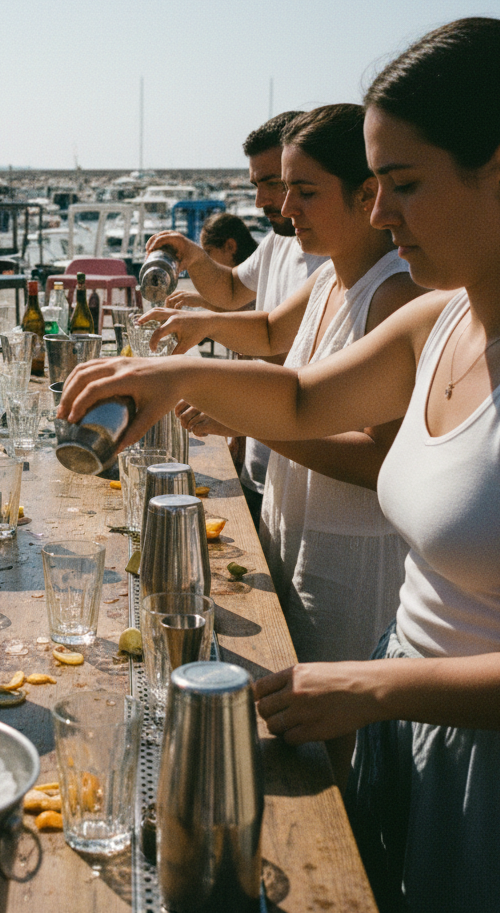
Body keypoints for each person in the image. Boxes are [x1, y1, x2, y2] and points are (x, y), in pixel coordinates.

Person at [60, 17, 500, 913]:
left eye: (402, 185)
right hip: (407, 710)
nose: (378, 213)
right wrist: (170, 373)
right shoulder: (441, 317)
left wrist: (373, 685)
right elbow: (296, 399)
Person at [144, 104, 425, 678]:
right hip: (293, 528)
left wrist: (248, 419)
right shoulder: (330, 273)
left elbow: (382, 460)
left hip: (350, 559)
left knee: (331, 740)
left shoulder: (394, 297)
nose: (285, 207)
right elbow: (271, 329)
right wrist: (204, 324)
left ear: (366, 193)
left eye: (305, 191)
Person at [144, 113, 328, 526]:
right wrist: (194, 257)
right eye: (258, 185)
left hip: (310, 468)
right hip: (267, 462)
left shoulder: (339, 262)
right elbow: (230, 292)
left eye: (276, 183)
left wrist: (224, 403)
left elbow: (290, 358)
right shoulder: (278, 242)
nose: (264, 200)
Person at [164, 212, 259, 312]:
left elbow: (249, 318)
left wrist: (201, 301)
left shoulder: (258, 273)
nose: (207, 261)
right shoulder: (256, 267)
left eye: (208, 253)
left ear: (230, 246)